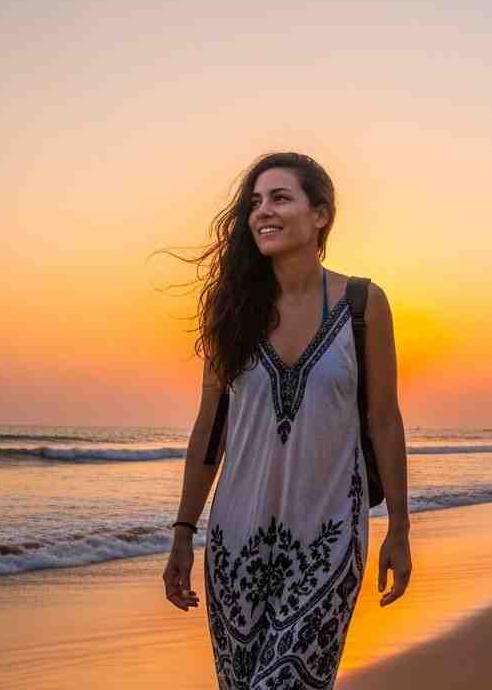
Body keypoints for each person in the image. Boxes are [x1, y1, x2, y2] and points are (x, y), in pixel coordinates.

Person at [162, 153, 413, 690]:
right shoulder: (232, 313)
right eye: (255, 202)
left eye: (280, 198)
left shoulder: (363, 304)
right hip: (235, 545)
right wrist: (183, 532)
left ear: (320, 215)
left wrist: (399, 527)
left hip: (328, 541)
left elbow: (385, 421)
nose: (263, 211)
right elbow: (209, 430)